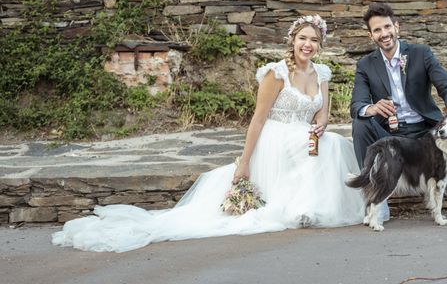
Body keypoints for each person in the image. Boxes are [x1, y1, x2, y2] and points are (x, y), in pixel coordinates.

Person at [52, 15, 365, 252]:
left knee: (334, 142)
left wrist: (322, 123)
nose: (307, 44)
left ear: (320, 45)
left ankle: (309, 208)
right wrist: (244, 162)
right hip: (277, 136)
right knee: (325, 148)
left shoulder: (322, 73)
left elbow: (322, 109)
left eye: (313, 40)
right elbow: (257, 120)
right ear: (293, 40)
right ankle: (302, 209)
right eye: (302, 38)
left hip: (305, 135)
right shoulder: (276, 73)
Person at [350, 3, 447, 224]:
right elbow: (357, 103)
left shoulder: (421, 53)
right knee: (360, 124)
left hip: (426, 128)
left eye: (387, 27)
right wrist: (372, 108)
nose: (384, 34)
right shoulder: (365, 64)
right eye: (377, 30)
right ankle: (377, 199)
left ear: (397, 27)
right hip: (390, 130)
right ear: (370, 35)